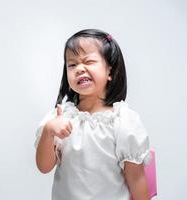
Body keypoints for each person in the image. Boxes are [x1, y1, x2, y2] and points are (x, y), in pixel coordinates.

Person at [34, 29, 152, 200]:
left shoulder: (122, 120)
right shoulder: (60, 116)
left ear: (110, 72)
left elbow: (136, 178)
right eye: (72, 64)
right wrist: (48, 132)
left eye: (88, 61)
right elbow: (44, 167)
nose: (80, 68)